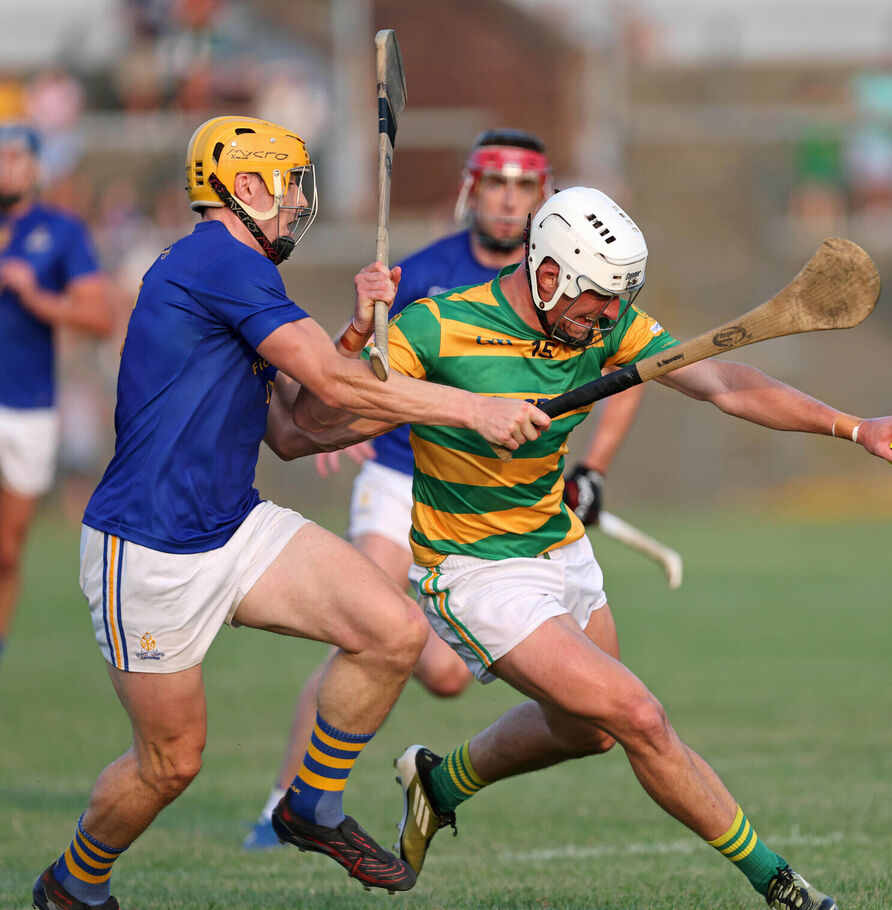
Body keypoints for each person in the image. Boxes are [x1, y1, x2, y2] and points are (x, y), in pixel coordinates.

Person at [292, 186, 892, 910]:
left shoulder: (600, 324)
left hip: (560, 549)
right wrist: (353, 337)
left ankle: (436, 784)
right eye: (599, 300)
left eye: (621, 302)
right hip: (475, 573)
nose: (612, 318)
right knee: (639, 717)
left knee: (588, 733)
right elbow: (306, 426)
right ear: (551, 275)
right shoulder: (436, 327)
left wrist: (853, 426)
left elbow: (723, 378)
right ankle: (782, 884)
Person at [30, 115, 547, 910]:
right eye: (289, 184)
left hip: (234, 526)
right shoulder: (217, 261)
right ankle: (74, 882)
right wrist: (472, 409)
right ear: (245, 187)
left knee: (393, 631)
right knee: (170, 764)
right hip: (149, 549)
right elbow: (336, 394)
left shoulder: (246, 275)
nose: (298, 201)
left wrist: (353, 333)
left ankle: (310, 803)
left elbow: (296, 430)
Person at [241, 127, 646, 848]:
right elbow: (351, 382)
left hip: (493, 497)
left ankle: (432, 734)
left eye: (524, 187)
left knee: (447, 678)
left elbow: (631, 375)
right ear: (471, 189)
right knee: (362, 627)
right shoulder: (422, 270)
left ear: (544, 200)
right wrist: (348, 408)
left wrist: (593, 467)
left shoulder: (575, 289)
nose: (508, 200)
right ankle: (285, 803)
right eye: (496, 183)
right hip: (402, 474)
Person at [0, 121, 114, 671]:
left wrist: (36, 296)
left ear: (36, 167)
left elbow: (98, 315)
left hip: (29, 405)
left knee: (7, 549)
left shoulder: (60, 232)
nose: (6, 166)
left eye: (16, 156)